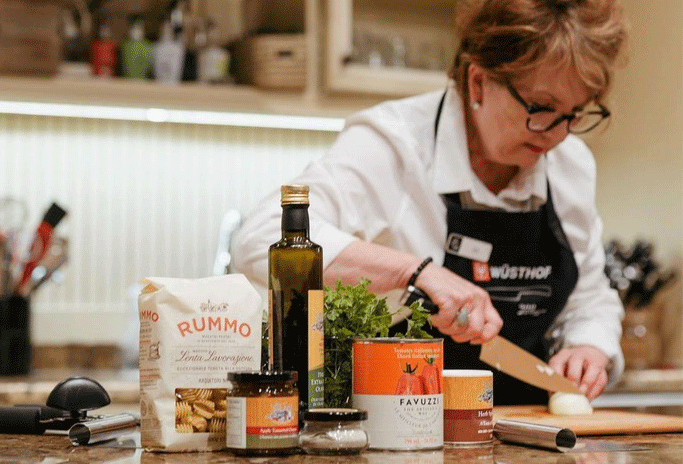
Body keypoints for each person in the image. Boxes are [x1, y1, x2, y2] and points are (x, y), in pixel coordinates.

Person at [231, 0, 628, 405]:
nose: (555, 134)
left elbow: (589, 295)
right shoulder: (392, 145)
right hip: (394, 422)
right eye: (541, 109)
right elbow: (259, 238)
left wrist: (590, 347)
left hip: (524, 425)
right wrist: (415, 271)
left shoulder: (570, 165)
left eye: (574, 114)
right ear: (478, 82)